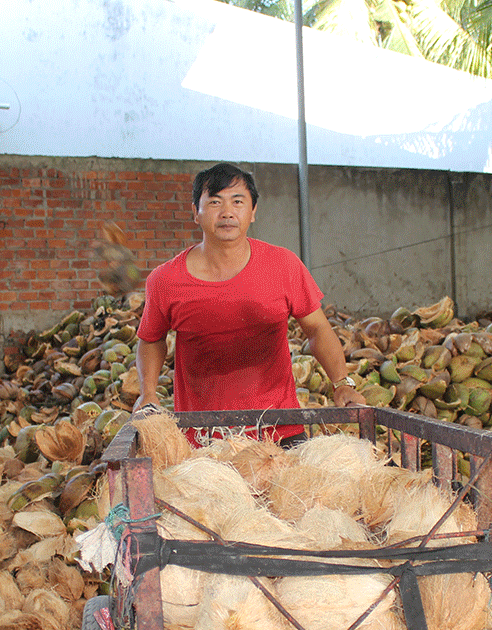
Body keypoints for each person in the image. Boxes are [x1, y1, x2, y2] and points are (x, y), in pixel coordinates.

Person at [134, 162, 365, 444]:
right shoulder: (165, 279)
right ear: (196, 212)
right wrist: (147, 394)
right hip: (203, 437)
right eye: (215, 202)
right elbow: (151, 339)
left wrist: (342, 383)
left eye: (238, 202)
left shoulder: (283, 265)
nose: (227, 212)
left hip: (280, 429)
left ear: (253, 212)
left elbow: (317, 329)